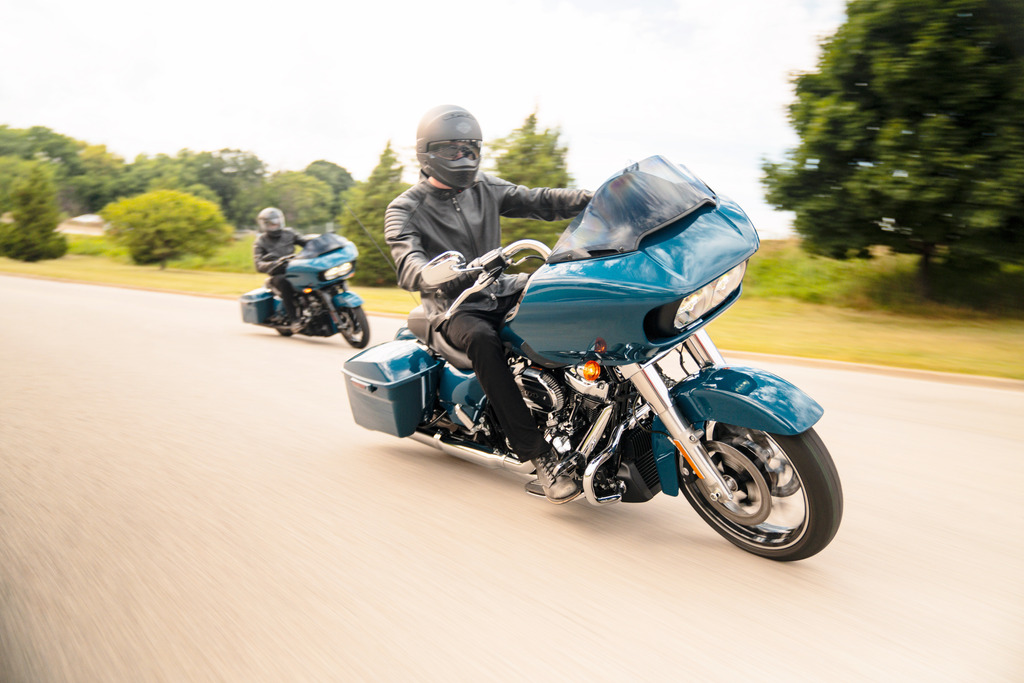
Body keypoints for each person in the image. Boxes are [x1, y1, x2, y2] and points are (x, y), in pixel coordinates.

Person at [384, 104, 593, 504]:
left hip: (501, 286)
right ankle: (538, 455)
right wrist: (430, 273)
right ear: (428, 152)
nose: (463, 157)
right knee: (483, 340)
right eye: (452, 150)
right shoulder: (405, 207)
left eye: (469, 149)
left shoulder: (486, 188)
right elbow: (406, 261)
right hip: (455, 306)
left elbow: (543, 200)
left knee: (563, 292)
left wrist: (599, 197)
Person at [252, 207, 310, 331]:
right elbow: (258, 264)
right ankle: (294, 320)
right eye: (271, 223)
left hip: (295, 269)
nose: (275, 225)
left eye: (276, 222)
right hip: (277, 274)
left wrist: (320, 242)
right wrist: (274, 263)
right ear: (264, 225)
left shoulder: (289, 233)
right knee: (284, 282)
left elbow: (306, 243)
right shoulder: (260, 241)